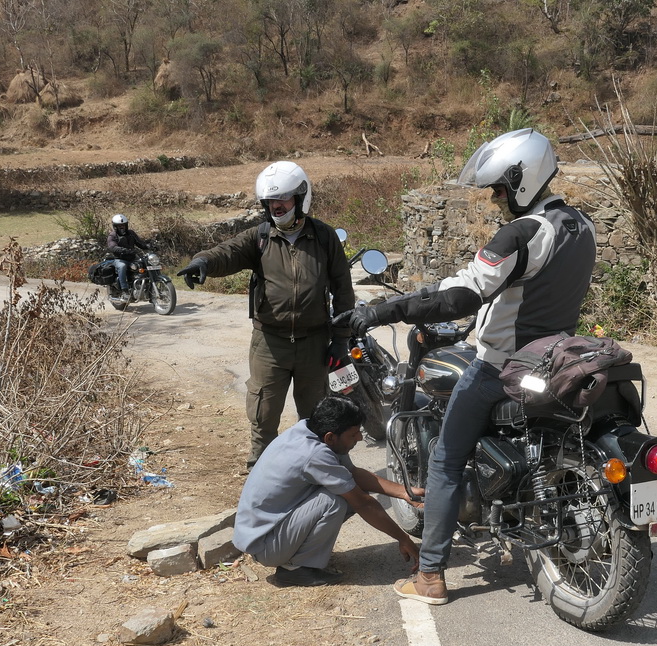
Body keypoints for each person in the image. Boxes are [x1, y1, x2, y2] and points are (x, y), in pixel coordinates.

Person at [333, 129, 597, 605]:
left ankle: (430, 575)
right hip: (556, 359)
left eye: (499, 187)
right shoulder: (581, 225)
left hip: (501, 366)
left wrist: (382, 311)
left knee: (446, 460)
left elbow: (462, 294)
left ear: (520, 178)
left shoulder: (523, 232)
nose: (496, 198)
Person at [177, 161, 356, 470]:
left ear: (300, 197)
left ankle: (321, 475)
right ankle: (263, 481)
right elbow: (226, 252)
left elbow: (343, 291)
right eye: (270, 201)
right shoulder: (259, 237)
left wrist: (340, 340)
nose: (276, 206)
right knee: (263, 416)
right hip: (269, 344)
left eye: (282, 199)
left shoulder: (325, 238)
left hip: (314, 342)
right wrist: (202, 262)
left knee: (317, 418)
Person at [232, 396, 422, 587]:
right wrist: (402, 538)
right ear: (330, 437)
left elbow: (353, 473)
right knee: (336, 499)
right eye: (354, 434)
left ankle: (300, 558)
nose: (360, 438)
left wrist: (404, 492)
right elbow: (363, 502)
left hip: (266, 533)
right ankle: (295, 570)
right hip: (266, 545)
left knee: (344, 488)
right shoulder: (315, 454)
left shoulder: (308, 429)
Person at [106, 213, 149, 294]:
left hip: (132, 257)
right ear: (115, 226)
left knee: (145, 263)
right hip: (120, 259)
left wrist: (148, 246)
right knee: (122, 266)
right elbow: (112, 247)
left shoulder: (131, 233)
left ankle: (147, 285)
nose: (122, 227)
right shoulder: (112, 235)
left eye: (123, 225)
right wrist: (124, 250)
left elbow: (139, 243)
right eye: (119, 226)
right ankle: (124, 290)